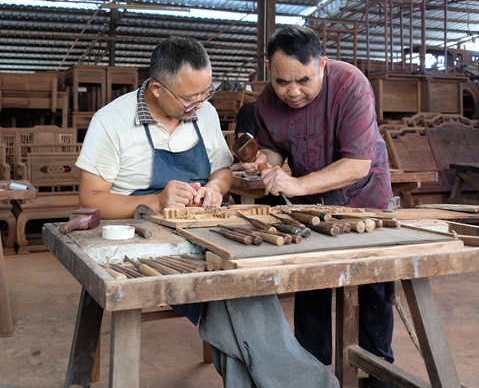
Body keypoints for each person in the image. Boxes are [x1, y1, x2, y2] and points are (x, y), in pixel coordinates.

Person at [75, 35, 338, 388]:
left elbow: (222, 170)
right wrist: (154, 202)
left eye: (205, 93)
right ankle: (312, 383)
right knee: (237, 293)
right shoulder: (112, 121)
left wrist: (215, 188)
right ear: (156, 89)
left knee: (246, 279)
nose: (199, 103)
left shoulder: (205, 114)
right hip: (145, 238)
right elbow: (90, 198)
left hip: (207, 225)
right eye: (189, 97)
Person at [241, 26, 395, 388]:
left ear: (322, 64)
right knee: (311, 283)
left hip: (363, 198)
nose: (292, 92)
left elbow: (358, 164)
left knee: (371, 284)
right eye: (281, 82)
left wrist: (294, 184)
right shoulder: (265, 101)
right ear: (268, 69)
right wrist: (264, 162)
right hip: (311, 202)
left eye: (304, 80)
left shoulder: (351, 85)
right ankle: (310, 371)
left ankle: (377, 372)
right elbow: (275, 149)